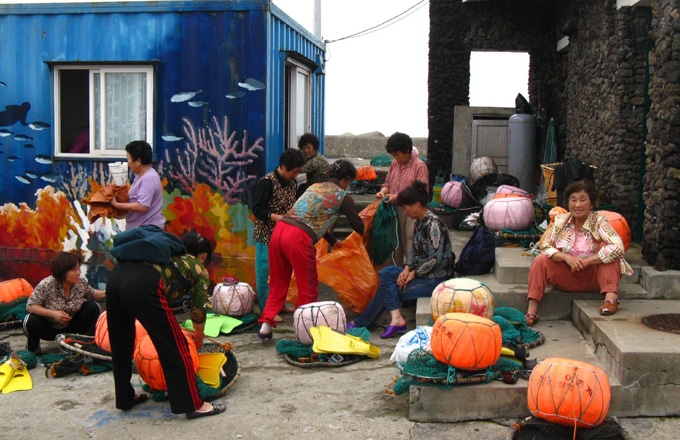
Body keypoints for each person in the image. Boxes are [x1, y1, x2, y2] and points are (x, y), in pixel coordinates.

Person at [105, 226, 225, 419]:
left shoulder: (166, 258)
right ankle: (193, 404)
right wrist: (198, 338)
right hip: (144, 283)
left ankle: (125, 397)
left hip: (116, 277)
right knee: (175, 345)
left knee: (121, 343)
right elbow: (198, 310)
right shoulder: (197, 268)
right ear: (203, 256)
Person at [258, 159, 365, 340]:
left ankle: (266, 326)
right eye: (349, 182)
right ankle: (304, 330)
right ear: (346, 179)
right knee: (307, 285)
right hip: (298, 238)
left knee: (278, 282)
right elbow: (358, 226)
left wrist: (332, 240)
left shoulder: (314, 186)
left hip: (280, 231)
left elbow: (314, 218)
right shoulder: (341, 195)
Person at [347, 181, 454, 338]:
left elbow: (434, 259)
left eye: (406, 207)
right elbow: (414, 251)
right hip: (419, 272)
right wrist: (406, 268)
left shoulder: (434, 225)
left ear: (416, 204)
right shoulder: (420, 222)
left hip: (435, 279)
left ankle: (369, 322)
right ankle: (394, 319)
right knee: (386, 273)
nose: (405, 211)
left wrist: (413, 274)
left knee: (388, 289)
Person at [525, 179, 633, 326]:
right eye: (573, 200)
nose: (577, 205)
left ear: (591, 204)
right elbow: (544, 245)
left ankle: (611, 299)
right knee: (540, 260)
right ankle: (532, 310)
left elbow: (619, 246)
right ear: (568, 203)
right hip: (568, 276)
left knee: (609, 249)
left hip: (594, 277)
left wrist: (589, 260)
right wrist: (567, 258)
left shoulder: (600, 221)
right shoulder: (561, 221)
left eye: (583, 200)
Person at [252, 149, 306, 321]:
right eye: (293, 171)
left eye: (298, 172)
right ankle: (266, 309)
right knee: (265, 272)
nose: (295, 175)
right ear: (283, 166)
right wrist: (279, 218)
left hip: (284, 234)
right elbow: (258, 210)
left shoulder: (292, 183)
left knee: (282, 271)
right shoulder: (266, 182)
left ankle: (279, 303)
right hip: (267, 234)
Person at [23, 251, 106, 355]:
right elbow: (31, 306)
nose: (78, 273)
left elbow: (93, 293)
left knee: (93, 307)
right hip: (49, 328)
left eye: (79, 268)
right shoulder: (47, 284)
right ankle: (33, 349)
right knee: (30, 320)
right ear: (63, 272)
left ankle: (85, 345)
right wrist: (53, 314)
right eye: (74, 270)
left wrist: (111, 291)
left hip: (71, 326)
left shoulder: (81, 283)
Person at [375, 132, 429, 265]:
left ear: (408, 151)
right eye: (394, 155)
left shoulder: (419, 166)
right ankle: (397, 271)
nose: (396, 158)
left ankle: (410, 269)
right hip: (394, 209)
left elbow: (421, 192)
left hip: (411, 211)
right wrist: (383, 192)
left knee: (409, 241)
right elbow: (387, 183)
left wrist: (398, 197)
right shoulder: (394, 164)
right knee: (395, 242)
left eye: (398, 154)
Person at [110, 140, 166, 230]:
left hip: (146, 232)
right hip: (139, 230)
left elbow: (142, 206)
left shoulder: (149, 178)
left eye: (128, 158)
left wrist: (116, 205)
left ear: (138, 161)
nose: (128, 162)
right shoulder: (139, 176)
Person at [297, 133, 330, 197]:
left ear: (315, 148)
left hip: (320, 191)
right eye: (304, 148)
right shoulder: (314, 157)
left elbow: (299, 170)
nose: (306, 150)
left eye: (309, 148)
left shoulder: (315, 160)